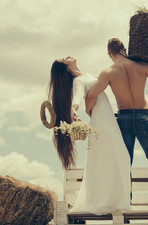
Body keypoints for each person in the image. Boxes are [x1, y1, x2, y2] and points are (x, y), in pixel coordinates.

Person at [86, 38, 148, 209]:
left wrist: (90, 113)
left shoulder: (108, 72)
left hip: (123, 118)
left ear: (109, 54)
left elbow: (91, 95)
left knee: (125, 162)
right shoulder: (141, 66)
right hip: (143, 117)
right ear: (124, 50)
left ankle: (126, 201)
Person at [48, 56, 132, 214]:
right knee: (116, 156)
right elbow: (78, 95)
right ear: (66, 67)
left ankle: (112, 200)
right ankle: (107, 201)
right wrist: (74, 108)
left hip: (107, 120)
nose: (68, 56)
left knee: (116, 157)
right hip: (102, 122)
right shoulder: (78, 81)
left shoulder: (84, 76)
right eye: (64, 59)